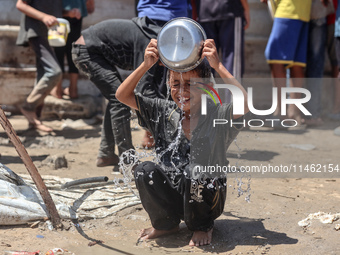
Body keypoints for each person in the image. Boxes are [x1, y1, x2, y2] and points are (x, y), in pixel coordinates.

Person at [116, 38, 249, 246]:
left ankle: (202, 226)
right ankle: (165, 223)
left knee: (194, 170)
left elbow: (245, 104)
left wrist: (218, 66)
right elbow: (122, 95)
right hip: (175, 196)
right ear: (169, 85)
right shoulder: (163, 112)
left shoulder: (217, 116)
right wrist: (146, 65)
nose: (182, 91)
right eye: (176, 84)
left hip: (207, 198)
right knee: (144, 169)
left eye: (190, 84)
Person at [72, 1, 191, 168]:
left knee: (115, 96)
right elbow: (144, 90)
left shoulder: (159, 40)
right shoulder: (150, 43)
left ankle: (106, 154)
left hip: (92, 49)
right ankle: (127, 161)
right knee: (118, 98)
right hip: (86, 50)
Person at [16, 0, 63, 132]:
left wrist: (69, 13)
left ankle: (34, 121)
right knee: (54, 72)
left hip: (49, 34)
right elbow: (20, 4)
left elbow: (52, 10)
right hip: (36, 31)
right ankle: (28, 106)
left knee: (43, 75)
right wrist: (43, 17)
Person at [262, 0, 312, 125]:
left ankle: (280, 113)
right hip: (303, 11)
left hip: (288, 9)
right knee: (296, 63)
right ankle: (294, 114)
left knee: (275, 58)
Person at [195, 0, 250, 81]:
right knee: (232, 60)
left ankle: (204, 93)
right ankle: (234, 93)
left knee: (206, 60)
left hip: (204, 10)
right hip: (229, 9)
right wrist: (246, 10)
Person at [51, 0, 95, 99]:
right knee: (73, 50)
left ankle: (57, 90)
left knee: (59, 50)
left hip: (61, 12)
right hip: (77, 11)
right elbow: (91, 7)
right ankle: (73, 90)